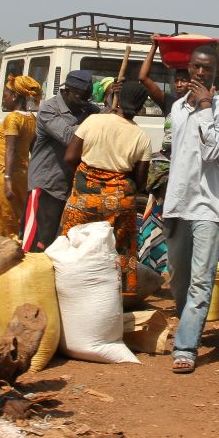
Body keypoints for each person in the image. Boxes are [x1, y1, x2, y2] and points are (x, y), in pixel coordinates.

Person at [163, 46, 219, 374]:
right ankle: (188, 323)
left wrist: (206, 105)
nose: (200, 74)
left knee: (201, 279)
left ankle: (186, 346)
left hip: (208, 204)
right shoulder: (178, 108)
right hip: (178, 201)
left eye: (207, 70)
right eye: (196, 68)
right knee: (178, 276)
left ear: (214, 73)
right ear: (189, 68)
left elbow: (211, 152)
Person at [59, 80, 153, 295]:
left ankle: (71, 292)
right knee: (119, 250)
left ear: (117, 100)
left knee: (73, 245)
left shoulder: (93, 121)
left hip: (85, 200)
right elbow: (140, 183)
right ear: (140, 108)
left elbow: (70, 157)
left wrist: (88, 178)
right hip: (120, 203)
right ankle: (114, 296)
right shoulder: (142, 137)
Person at [28, 69, 99, 250]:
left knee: (61, 242)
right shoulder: (49, 109)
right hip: (47, 185)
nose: (84, 102)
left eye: (87, 98)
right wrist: (97, 121)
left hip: (70, 187)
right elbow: (69, 137)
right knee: (39, 241)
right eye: (80, 97)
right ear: (66, 91)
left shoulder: (88, 110)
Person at [0, 75, 42, 243]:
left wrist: (7, 180)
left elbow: (11, 149)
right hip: (22, 174)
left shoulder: (13, 118)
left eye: (6, 96)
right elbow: (33, 149)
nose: (4, 100)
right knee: (16, 217)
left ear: (15, 96)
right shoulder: (31, 119)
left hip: (5, 173)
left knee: (2, 220)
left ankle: (0, 251)